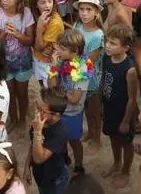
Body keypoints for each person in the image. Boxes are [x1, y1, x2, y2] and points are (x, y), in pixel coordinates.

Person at [99, 25, 138, 188]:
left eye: (113, 43)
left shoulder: (129, 70)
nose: (108, 45)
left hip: (123, 113)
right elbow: (103, 80)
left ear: (126, 48)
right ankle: (116, 163)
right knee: (113, 137)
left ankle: (126, 171)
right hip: (109, 109)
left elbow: (132, 99)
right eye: (107, 41)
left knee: (126, 143)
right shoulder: (107, 59)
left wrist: (126, 121)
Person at [49, 29, 92, 177]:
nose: (58, 50)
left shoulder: (82, 70)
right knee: (60, 139)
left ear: (75, 51)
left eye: (62, 48)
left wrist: (58, 91)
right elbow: (52, 83)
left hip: (72, 113)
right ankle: (65, 160)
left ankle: (79, 167)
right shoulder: (62, 60)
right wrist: (54, 66)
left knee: (74, 141)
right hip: (59, 110)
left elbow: (74, 98)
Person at [0, 0, 33, 131]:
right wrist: (5, 33)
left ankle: (22, 119)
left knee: (22, 93)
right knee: (8, 93)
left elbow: (30, 41)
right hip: (5, 62)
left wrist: (17, 34)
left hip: (24, 61)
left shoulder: (26, 13)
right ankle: (13, 119)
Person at [71, 0, 105, 155]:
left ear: (97, 13)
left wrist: (70, 63)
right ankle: (90, 132)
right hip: (78, 77)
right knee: (85, 109)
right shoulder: (77, 26)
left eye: (89, 10)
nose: (84, 13)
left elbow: (89, 61)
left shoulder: (98, 36)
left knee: (94, 112)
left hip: (91, 81)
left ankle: (97, 139)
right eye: (82, 9)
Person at [31, 0, 65, 86]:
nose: (47, 6)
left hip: (48, 63)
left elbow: (39, 47)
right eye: (42, 2)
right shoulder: (36, 15)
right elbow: (35, 44)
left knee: (50, 92)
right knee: (42, 88)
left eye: (50, 1)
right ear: (36, 4)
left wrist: (39, 28)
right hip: (39, 60)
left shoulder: (54, 23)